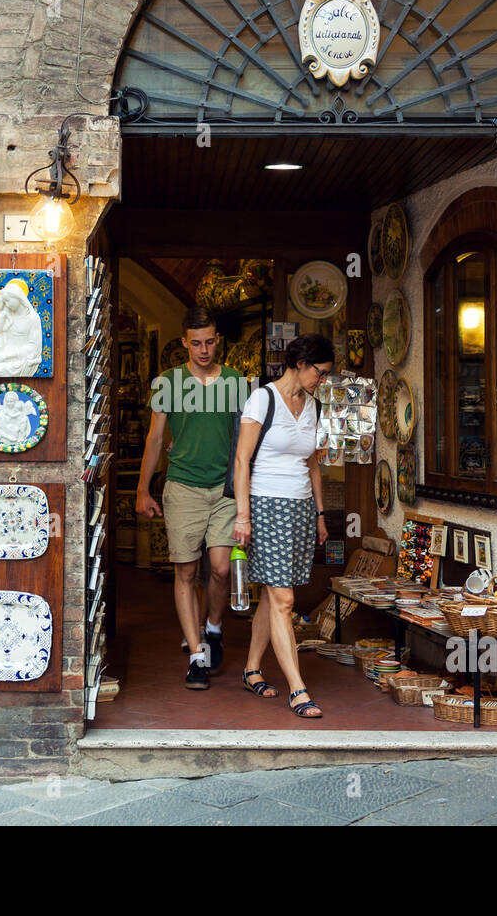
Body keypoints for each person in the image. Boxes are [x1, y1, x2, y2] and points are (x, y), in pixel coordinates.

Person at [137, 308, 248, 690]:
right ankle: (197, 656)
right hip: (182, 487)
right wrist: (142, 488)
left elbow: (247, 439)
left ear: (219, 340)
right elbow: (155, 439)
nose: (204, 349)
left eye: (210, 341)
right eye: (196, 343)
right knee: (185, 572)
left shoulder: (236, 382)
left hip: (224, 490)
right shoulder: (168, 383)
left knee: (219, 569)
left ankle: (213, 627)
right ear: (184, 342)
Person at [231, 333, 333, 719]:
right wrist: (243, 515)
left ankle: (252, 669)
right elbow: (242, 461)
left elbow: (313, 464)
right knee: (285, 601)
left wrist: (320, 514)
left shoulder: (313, 406)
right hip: (266, 505)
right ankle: (298, 689)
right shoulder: (263, 399)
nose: (321, 380)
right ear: (301, 363)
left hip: (301, 509)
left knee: (275, 596)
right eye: (319, 373)